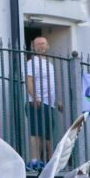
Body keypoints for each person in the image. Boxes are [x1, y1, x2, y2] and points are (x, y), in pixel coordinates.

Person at [26, 36, 62, 171]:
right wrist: (34, 97)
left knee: (46, 133)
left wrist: (56, 100)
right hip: (37, 101)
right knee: (36, 131)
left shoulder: (50, 64)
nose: (41, 46)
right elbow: (29, 80)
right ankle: (35, 160)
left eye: (43, 43)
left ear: (47, 46)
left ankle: (48, 160)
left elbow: (51, 85)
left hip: (49, 103)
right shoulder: (32, 63)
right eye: (38, 44)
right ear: (33, 47)